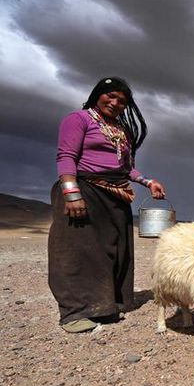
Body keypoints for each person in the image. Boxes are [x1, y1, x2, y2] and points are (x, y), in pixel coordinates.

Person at [48, 77, 166, 333]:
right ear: (97, 95)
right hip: (85, 189)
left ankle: (105, 307)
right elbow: (66, 156)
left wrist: (148, 182)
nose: (114, 103)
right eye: (110, 96)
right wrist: (71, 193)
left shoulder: (121, 129)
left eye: (121, 101)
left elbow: (127, 169)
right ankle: (75, 313)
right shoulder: (78, 119)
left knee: (114, 251)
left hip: (116, 193)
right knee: (78, 251)